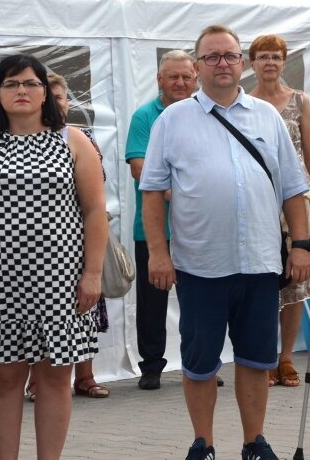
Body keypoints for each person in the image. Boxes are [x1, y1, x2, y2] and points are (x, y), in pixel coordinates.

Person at [140, 24, 310, 460]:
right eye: (212, 56)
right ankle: (204, 443)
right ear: (197, 66)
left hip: (258, 262)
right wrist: (159, 253)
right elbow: (153, 193)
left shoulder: (267, 116)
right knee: (200, 362)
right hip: (200, 265)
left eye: (230, 56)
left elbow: (293, 187)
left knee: (257, 359)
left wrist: (302, 245)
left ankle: (254, 442)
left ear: (243, 64)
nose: (222, 63)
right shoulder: (171, 120)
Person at [0, 54, 107, 460]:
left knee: (56, 378)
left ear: (44, 93)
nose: (21, 91)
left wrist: (92, 274)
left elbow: (93, 211)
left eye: (30, 84)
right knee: (5, 378)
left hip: (62, 281)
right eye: (11, 83)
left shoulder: (74, 141)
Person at [22, 73, 110, 401]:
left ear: (67, 102)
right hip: (36, 246)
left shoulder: (81, 137)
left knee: (82, 309)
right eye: (51, 97)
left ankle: (85, 377)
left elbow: (97, 185)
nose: (56, 103)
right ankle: (36, 381)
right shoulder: (21, 136)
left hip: (78, 238)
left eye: (61, 98)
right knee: (36, 318)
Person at [248, 34, 310, 388]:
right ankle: (262, 355)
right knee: (263, 280)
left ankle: (286, 356)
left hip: (298, 196)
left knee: (295, 283)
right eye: (263, 57)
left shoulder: (299, 101)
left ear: (284, 61)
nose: (270, 63)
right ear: (252, 63)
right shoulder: (245, 103)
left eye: (276, 57)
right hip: (259, 197)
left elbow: (309, 151)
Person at [125, 50, 198, 391]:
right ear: (159, 80)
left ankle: (200, 363)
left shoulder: (206, 113)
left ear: (195, 77)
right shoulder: (144, 116)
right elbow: (139, 167)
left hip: (199, 229)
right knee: (152, 302)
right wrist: (184, 193)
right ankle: (152, 366)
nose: (180, 83)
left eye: (186, 76)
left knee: (199, 300)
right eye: (173, 77)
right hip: (154, 229)